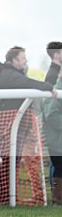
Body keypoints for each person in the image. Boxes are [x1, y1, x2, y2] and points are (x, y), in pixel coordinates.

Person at [0, 46, 57, 205]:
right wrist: (49, 86)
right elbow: (31, 84)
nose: (25, 61)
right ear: (14, 60)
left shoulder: (10, 73)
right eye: (23, 58)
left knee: (11, 161)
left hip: (14, 123)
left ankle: (5, 198)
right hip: (9, 124)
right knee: (10, 161)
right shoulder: (9, 75)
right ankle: (4, 198)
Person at [42, 66, 62, 205]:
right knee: (59, 169)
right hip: (56, 141)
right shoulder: (56, 90)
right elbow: (51, 116)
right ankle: (58, 200)